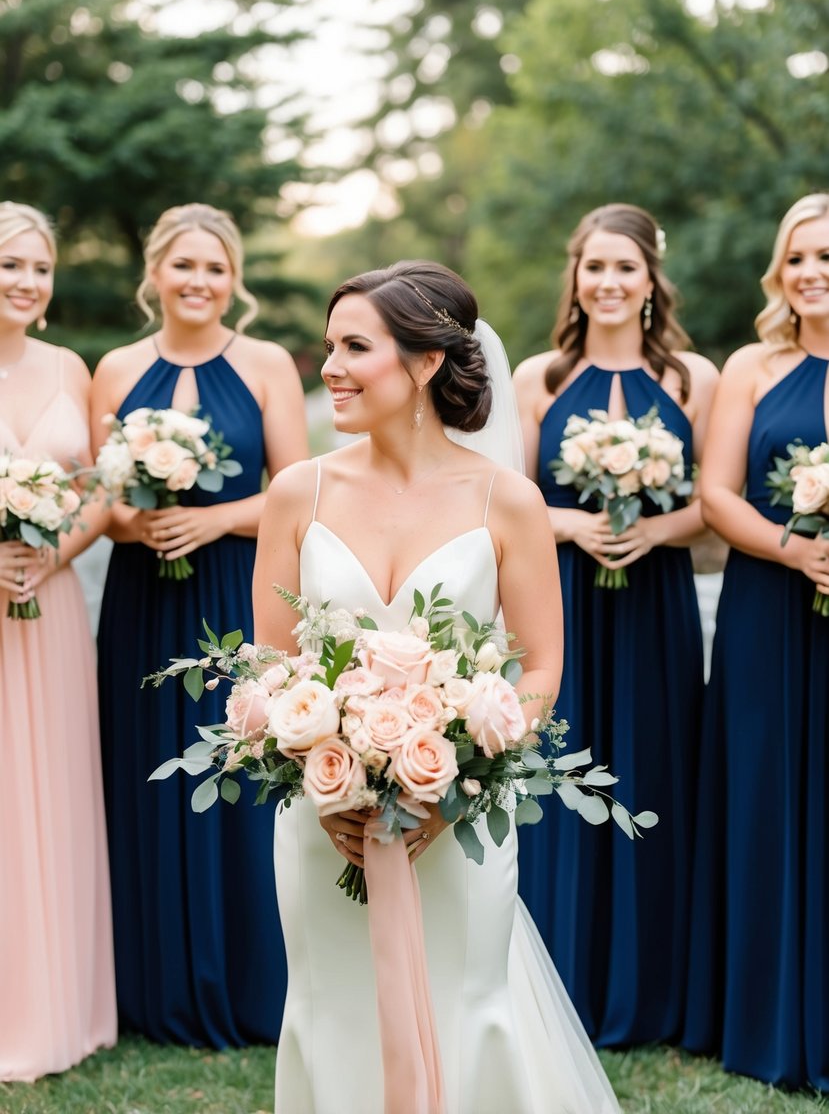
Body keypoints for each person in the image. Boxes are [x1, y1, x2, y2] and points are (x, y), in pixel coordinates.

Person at [252, 260, 621, 1114]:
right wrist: (326, 774)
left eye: (355, 347)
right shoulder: (295, 493)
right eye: (327, 347)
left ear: (422, 364)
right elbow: (271, 667)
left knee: (467, 1001)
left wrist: (449, 786)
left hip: (456, 821)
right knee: (329, 1006)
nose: (331, 368)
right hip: (322, 818)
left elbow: (537, 668)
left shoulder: (508, 500)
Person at [90, 203, 308, 1047]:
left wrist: (213, 521)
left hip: (230, 589)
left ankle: (250, 985)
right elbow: (102, 501)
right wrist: (135, 519)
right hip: (144, 596)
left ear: (233, 279)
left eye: (215, 268)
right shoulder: (113, 368)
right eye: (184, 265)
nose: (199, 281)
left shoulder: (263, 366)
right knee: (146, 779)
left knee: (242, 779)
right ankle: (151, 987)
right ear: (154, 273)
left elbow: (297, 489)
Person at [511, 204, 719, 1046]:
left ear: (648, 280)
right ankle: (561, 983)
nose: (607, 283)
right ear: (574, 276)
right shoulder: (540, 379)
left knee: (651, 767)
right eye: (593, 267)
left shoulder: (688, 378)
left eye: (623, 268)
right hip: (562, 594)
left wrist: (652, 531)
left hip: (655, 596)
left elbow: (713, 497)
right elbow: (512, 500)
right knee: (558, 769)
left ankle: (652, 987)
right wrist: (569, 527)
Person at [682, 194, 829, 1091]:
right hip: (767, 615)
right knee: (766, 799)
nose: (813, 272)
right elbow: (717, 494)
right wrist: (798, 548)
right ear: (781, 271)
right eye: (800, 257)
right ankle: (768, 1015)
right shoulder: (751, 365)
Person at [0, 202, 116, 1081]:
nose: (26, 282)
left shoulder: (72, 367)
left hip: (51, 610)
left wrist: (50, 558)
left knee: (53, 792)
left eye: (38, 268)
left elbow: (99, 492)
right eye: (10, 265)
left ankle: (62, 1007)